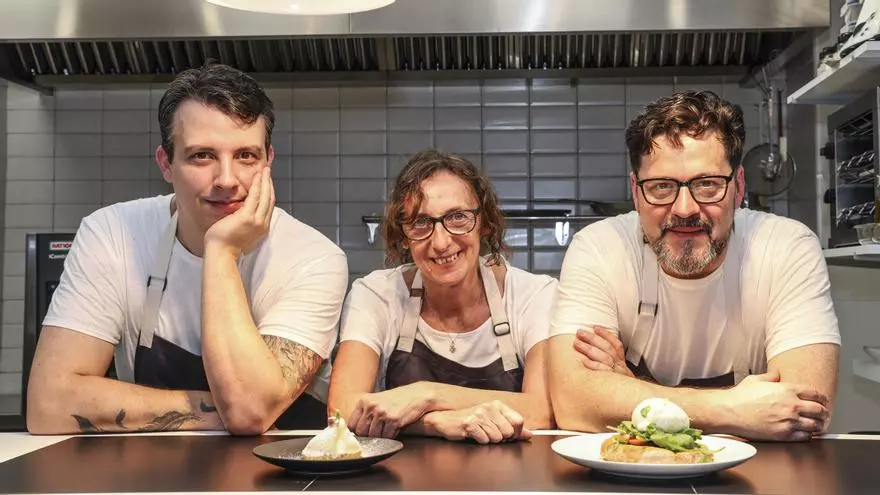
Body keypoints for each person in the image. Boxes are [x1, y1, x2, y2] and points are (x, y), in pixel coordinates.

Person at [26, 63, 349, 435]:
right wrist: (218, 408)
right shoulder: (112, 233)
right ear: (166, 163)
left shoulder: (313, 258)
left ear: (268, 161)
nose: (227, 180)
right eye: (202, 156)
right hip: (153, 466)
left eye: (246, 155)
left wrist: (221, 251)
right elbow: (48, 405)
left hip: (281, 468)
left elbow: (248, 412)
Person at [548, 90, 840, 442]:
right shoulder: (599, 248)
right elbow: (573, 403)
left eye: (707, 185)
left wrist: (628, 391)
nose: (684, 209)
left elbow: (804, 410)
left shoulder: (787, 248)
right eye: (661, 187)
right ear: (635, 191)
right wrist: (734, 410)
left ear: (739, 186)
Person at [328, 149, 557, 444]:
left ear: (484, 222)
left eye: (457, 217)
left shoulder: (533, 295)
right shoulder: (376, 294)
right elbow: (341, 410)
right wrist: (437, 423)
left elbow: (542, 410)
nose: (440, 242)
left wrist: (427, 395)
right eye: (420, 222)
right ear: (404, 236)